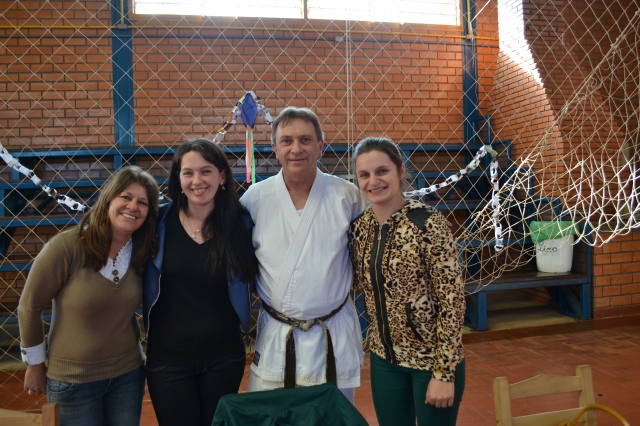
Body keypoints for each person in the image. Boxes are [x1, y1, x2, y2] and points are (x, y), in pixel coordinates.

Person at [240, 107, 367, 402]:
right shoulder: (254, 199)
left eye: (305, 140)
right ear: (275, 148)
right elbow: (238, 264)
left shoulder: (347, 196)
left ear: (320, 145)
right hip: (277, 336)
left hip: (331, 334)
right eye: (287, 141)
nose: (296, 149)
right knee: (271, 418)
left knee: (332, 418)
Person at [18, 165, 159, 426]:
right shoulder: (66, 246)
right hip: (73, 381)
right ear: (108, 198)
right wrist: (35, 365)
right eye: (126, 197)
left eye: (143, 202)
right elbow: (29, 307)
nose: (133, 207)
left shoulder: (143, 251)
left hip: (128, 376)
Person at [347, 137, 466, 426]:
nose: (373, 181)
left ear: (400, 170)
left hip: (431, 361)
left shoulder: (428, 224)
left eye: (382, 171)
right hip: (384, 360)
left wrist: (444, 373)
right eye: (364, 175)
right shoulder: (360, 229)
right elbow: (352, 283)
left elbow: (453, 302)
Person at [143, 138, 259, 426]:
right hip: (168, 360)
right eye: (188, 173)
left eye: (206, 171)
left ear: (222, 176)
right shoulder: (157, 223)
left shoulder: (242, 224)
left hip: (223, 357)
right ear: (178, 179)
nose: (197, 181)